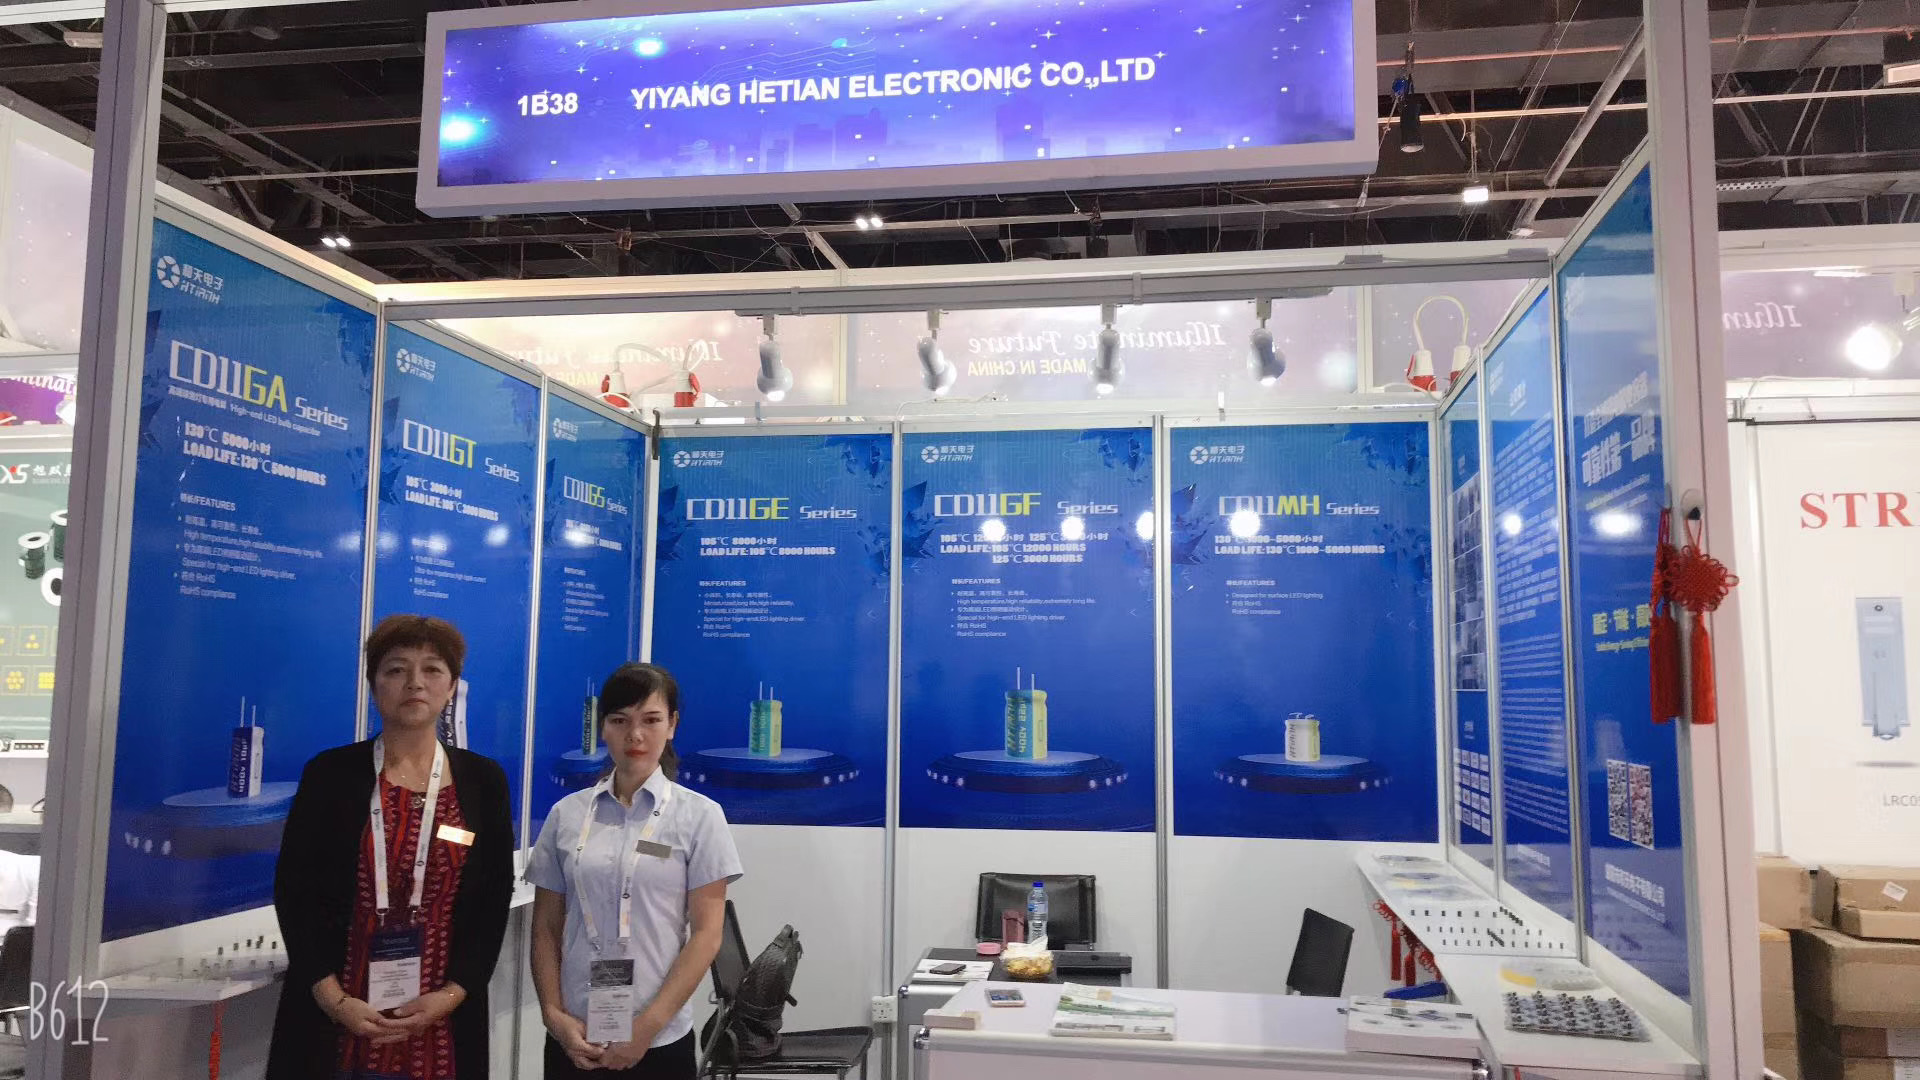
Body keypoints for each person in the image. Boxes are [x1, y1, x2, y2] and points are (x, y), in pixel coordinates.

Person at [269, 615, 515, 1080]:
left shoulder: (484, 782)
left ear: (452, 687)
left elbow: (492, 897)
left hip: (441, 1017)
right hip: (338, 1014)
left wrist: (453, 994)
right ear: (373, 684)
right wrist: (333, 1000)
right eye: (397, 669)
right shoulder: (330, 775)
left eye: (432, 669)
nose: (415, 683)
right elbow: (294, 892)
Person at [528, 663, 743, 1080]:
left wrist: (646, 1028)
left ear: (672, 725)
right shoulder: (566, 815)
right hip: (575, 1034)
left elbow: (706, 935)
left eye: (651, 720)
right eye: (620, 720)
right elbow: (546, 929)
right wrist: (553, 1015)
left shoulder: (699, 817)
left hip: (658, 1039)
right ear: (602, 727)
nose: (635, 735)